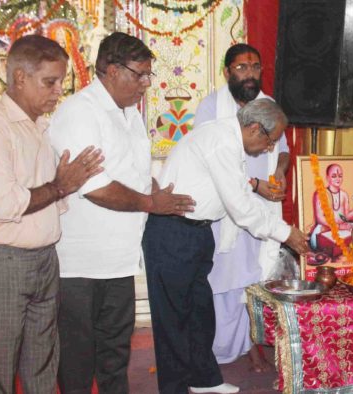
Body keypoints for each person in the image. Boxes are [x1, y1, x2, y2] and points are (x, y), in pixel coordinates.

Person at [48, 32, 195, 393]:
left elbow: (127, 171)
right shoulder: (80, 112)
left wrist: (154, 189)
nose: (146, 84)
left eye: (149, 75)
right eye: (139, 74)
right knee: (78, 359)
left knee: (115, 354)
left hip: (119, 259)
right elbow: (94, 186)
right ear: (111, 70)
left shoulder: (127, 112)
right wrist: (150, 203)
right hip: (80, 264)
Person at [0, 35, 103, 393]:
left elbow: (54, 198)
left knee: (42, 362)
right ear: (19, 78)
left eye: (61, 83)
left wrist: (63, 187)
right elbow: (9, 204)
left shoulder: (38, 127)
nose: (57, 92)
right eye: (49, 82)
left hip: (43, 259)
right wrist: (61, 185)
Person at [142, 98, 309, 394]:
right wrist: (285, 233)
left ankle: (203, 379)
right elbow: (241, 208)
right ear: (255, 129)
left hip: (197, 234)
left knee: (200, 313)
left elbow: (234, 185)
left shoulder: (227, 138)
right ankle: (175, 388)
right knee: (173, 320)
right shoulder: (221, 140)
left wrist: (256, 188)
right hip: (173, 235)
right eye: (270, 141)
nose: (270, 149)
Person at [193, 43, 289, 370]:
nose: (249, 74)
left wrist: (278, 172)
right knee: (222, 277)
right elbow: (210, 158)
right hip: (224, 211)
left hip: (262, 207)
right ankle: (216, 347)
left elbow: (284, 149)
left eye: (254, 67)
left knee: (255, 274)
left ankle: (251, 343)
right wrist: (255, 186)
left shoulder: (269, 105)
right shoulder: (211, 107)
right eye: (241, 68)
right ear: (227, 72)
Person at [309, 163, 353, 251]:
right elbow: (320, 218)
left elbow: (345, 217)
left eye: (340, 175)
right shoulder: (320, 194)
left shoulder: (344, 195)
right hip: (323, 230)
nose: (338, 178)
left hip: (341, 230)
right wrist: (338, 226)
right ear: (327, 178)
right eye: (334, 176)